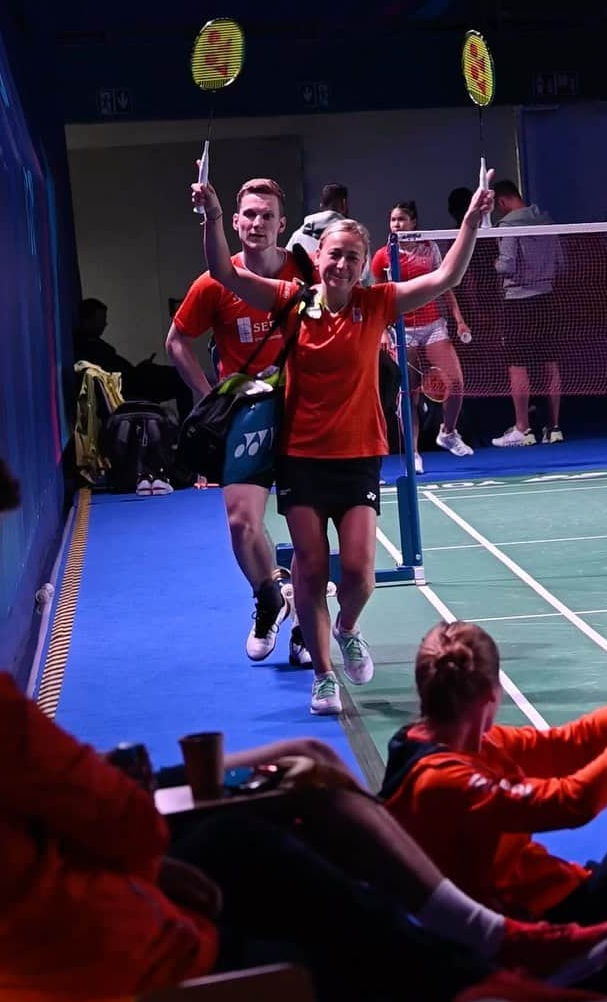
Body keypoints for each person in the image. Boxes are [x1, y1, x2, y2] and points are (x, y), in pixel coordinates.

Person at [0, 455, 607, 1002]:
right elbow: (124, 822)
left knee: (291, 789)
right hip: (99, 947)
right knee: (308, 919)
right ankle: (478, 974)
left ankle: (479, 980)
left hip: (72, 915)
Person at [190, 176, 494, 715]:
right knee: (309, 566)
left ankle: (348, 628)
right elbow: (221, 271)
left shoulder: (377, 304)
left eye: (353, 257)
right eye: (335, 255)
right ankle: (324, 675)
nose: (342, 265)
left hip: (358, 458)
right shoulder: (292, 300)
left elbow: (449, 275)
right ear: (318, 257)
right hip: (302, 457)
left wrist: (471, 221)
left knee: (358, 572)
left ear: (363, 263)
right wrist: (213, 213)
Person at [380, 618, 607, 993]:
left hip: (574, 901)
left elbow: (567, 746)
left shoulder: (468, 741)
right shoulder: (441, 782)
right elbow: (573, 803)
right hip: (565, 962)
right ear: (493, 693)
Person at [166, 178, 310, 669]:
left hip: (300, 413)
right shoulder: (215, 283)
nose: (256, 223)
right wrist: (210, 398)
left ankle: (310, 626)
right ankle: (270, 595)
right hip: (244, 413)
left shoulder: (303, 273)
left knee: (307, 526)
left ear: (281, 225)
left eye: (266, 215)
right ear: (234, 221)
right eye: (248, 214)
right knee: (240, 522)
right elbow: (177, 342)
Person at [371, 201, 474, 473]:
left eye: (401, 219)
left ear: (413, 223)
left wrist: (459, 319)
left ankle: (448, 432)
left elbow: (446, 283)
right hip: (402, 329)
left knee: (456, 383)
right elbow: (376, 298)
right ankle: (413, 452)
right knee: (409, 394)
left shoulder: (430, 249)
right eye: (393, 220)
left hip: (432, 324)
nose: (396, 225)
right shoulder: (383, 256)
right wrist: (383, 331)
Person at [489, 181, 565, 447]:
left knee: (518, 365)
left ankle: (523, 429)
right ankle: (554, 428)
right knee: (550, 363)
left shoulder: (508, 226)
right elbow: (561, 262)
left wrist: (493, 264)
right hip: (547, 300)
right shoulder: (547, 220)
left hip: (518, 303)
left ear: (501, 202)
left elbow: (507, 265)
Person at [73, 298, 193, 423]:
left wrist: (139, 368)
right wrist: (137, 371)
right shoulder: (85, 347)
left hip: (134, 378)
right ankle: (188, 427)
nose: (105, 324)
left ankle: (188, 424)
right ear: (88, 320)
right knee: (181, 379)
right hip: (130, 386)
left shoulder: (95, 343)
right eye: (101, 320)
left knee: (181, 376)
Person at [286, 182, 349, 257]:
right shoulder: (354, 238)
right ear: (343, 204)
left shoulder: (298, 235)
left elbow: (285, 264)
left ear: (321, 206)